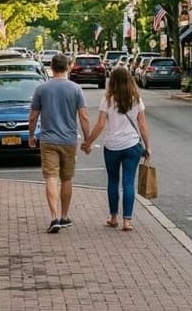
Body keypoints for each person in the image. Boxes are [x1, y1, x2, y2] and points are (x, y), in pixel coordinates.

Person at [28, 53, 91, 234]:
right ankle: (64, 216)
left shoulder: (41, 89)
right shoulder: (75, 89)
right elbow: (84, 116)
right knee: (67, 178)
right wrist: (87, 139)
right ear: (68, 68)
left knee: (50, 178)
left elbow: (33, 117)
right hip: (69, 140)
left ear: (52, 68)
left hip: (48, 140)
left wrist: (31, 135)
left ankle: (54, 216)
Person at [82, 66, 150, 232]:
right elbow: (142, 124)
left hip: (112, 146)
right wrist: (148, 146)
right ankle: (127, 221)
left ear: (111, 81)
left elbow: (100, 124)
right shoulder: (136, 98)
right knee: (128, 182)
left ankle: (113, 217)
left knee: (113, 181)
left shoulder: (108, 99)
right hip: (132, 145)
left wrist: (89, 141)